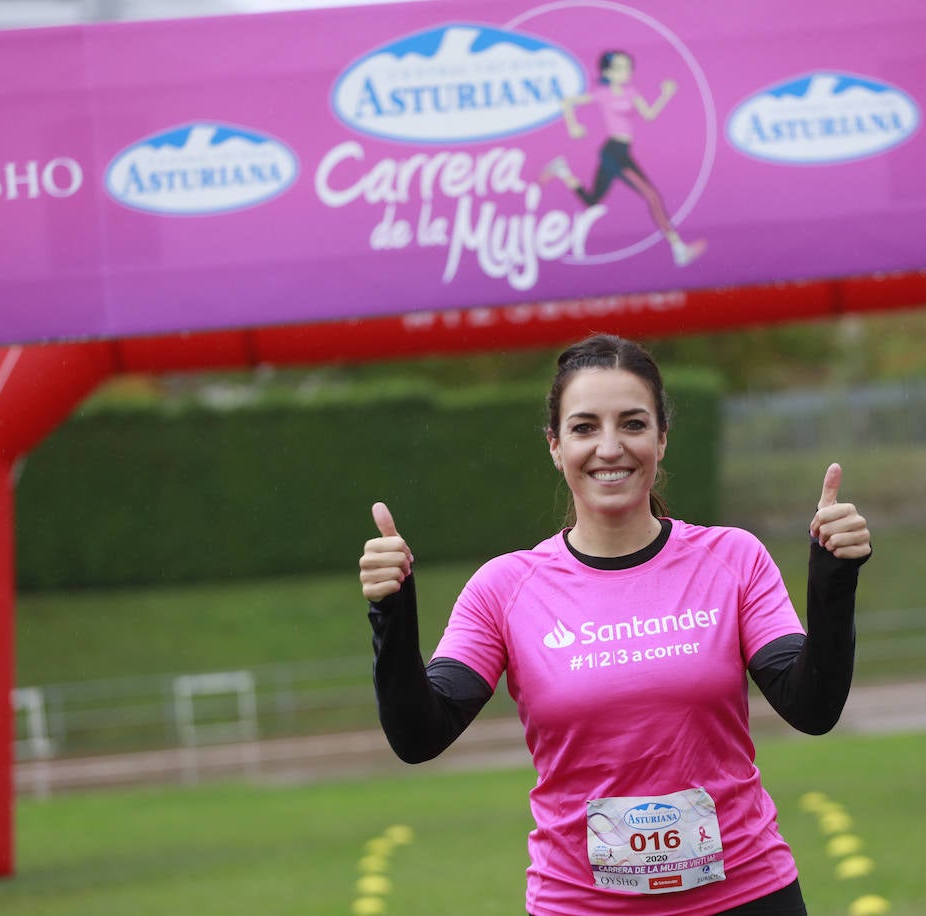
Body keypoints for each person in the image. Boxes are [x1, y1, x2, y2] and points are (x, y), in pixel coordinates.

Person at [359, 334, 871, 916]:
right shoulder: (504, 587)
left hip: (747, 895)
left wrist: (834, 577)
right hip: (580, 905)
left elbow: (813, 705)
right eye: (583, 428)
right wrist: (392, 610)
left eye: (632, 423)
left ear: (661, 437)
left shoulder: (734, 558)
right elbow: (420, 734)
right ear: (555, 446)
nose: (609, 447)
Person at [539, 51, 707, 267]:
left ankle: (563, 171)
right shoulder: (603, 93)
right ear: (608, 72)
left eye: (629, 67)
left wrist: (666, 94)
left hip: (621, 151)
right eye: (620, 68)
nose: (627, 72)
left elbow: (649, 115)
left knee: (591, 201)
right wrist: (573, 126)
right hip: (613, 152)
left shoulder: (631, 92)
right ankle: (678, 249)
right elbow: (568, 102)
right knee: (652, 196)